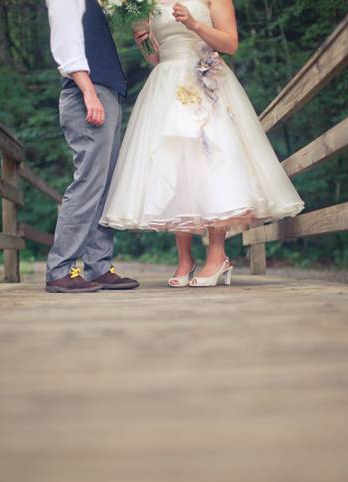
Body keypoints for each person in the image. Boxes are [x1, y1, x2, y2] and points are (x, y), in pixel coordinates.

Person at [99, 0, 304, 286]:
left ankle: (217, 256)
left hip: (202, 78)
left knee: (210, 164)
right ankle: (185, 259)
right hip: (166, 83)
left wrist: (194, 24)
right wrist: (143, 43)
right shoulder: (150, 3)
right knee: (176, 165)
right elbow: (155, 58)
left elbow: (230, 43)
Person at [43, 0, 140, 293]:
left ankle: (98, 265)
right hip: (86, 92)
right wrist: (88, 92)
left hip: (105, 91)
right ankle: (60, 268)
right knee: (88, 183)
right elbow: (66, 44)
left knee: (104, 186)